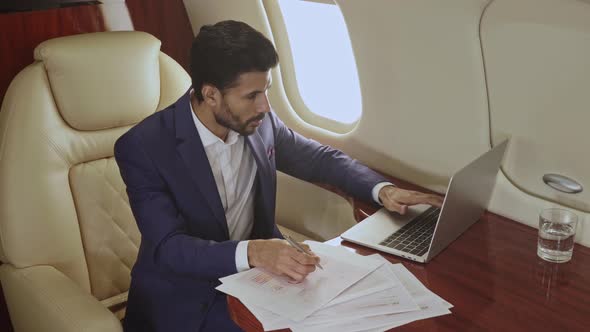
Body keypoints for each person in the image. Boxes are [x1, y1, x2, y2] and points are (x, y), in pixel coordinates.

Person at [115, 20, 443, 332]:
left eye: (266, 91)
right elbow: (170, 249)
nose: (265, 107)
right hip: (188, 295)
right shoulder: (143, 147)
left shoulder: (260, 124)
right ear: (211, 94)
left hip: (260, 280)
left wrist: (382, 190)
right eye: (251, 96)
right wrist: (256, 252)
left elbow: (321, 160)